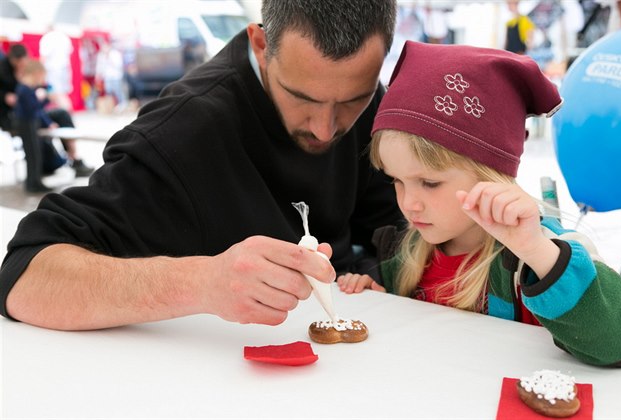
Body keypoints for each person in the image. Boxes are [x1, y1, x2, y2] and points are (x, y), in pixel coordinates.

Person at [0, 0, 402, 331]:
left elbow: (387, 229)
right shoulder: (182, 131)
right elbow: (25, 276)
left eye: (353, 99)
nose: (327, 129)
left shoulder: (367, 102)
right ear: (261, 44)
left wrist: (376, 271)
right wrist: (203, 282)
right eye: (303, 98)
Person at [337, 41, 621, 367]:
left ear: (492, 175)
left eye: (429, 183)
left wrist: (537, 251)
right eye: (396, 180)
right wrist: (382, 302)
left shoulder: (540, 257)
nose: (408, 204)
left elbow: (618, 341)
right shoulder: (406, 251)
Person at [0, 44, 94, 177]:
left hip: (33, 113)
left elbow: (41, 97)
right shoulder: (6, 74)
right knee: (35, 123)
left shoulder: (31, 72)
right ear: (13, 61)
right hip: (16, 117)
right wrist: (5, 97)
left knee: (62, 114)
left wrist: (48, 96)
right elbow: (31, 107)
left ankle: (74, 157)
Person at [13, 58, 57, 193]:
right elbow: (33, 108)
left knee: (34, 154)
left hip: (28, 123)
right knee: (33, 154)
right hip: (26, 124)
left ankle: (34, 181)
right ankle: (33, 183)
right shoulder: (24, 89)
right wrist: (46, 99)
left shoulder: (25, 88)